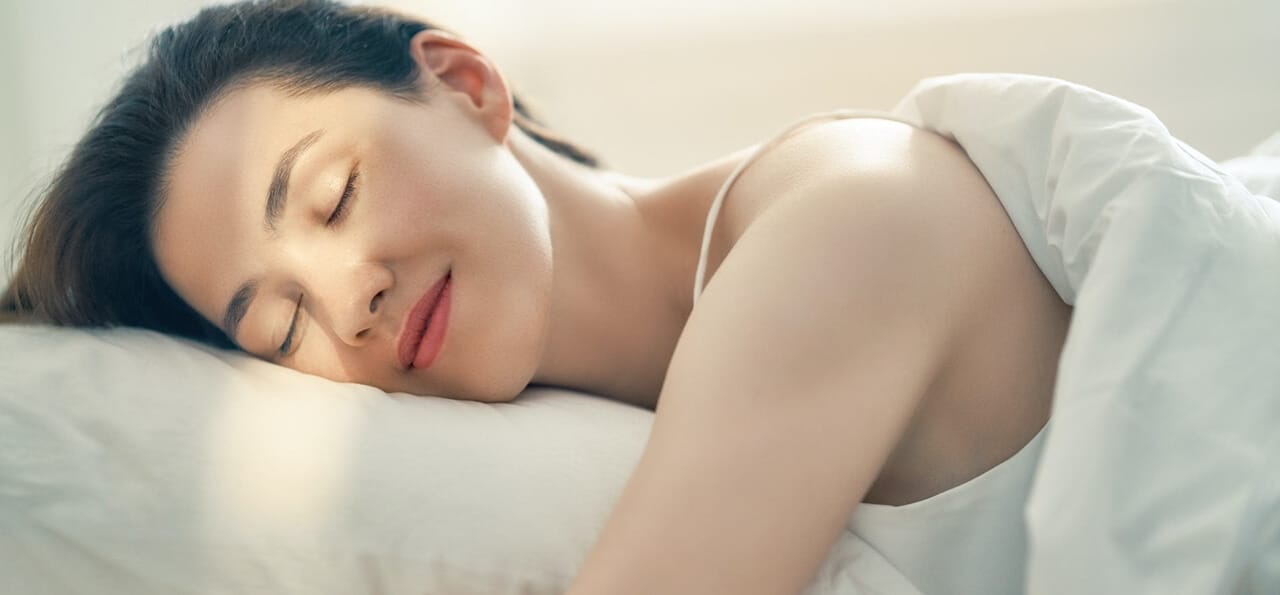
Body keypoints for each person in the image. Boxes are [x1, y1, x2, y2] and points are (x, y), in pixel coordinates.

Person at [1, 0, 1073, 592]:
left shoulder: (847, 214)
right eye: (278, 326)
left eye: (333, 198)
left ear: (465, 87)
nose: (348, 300)